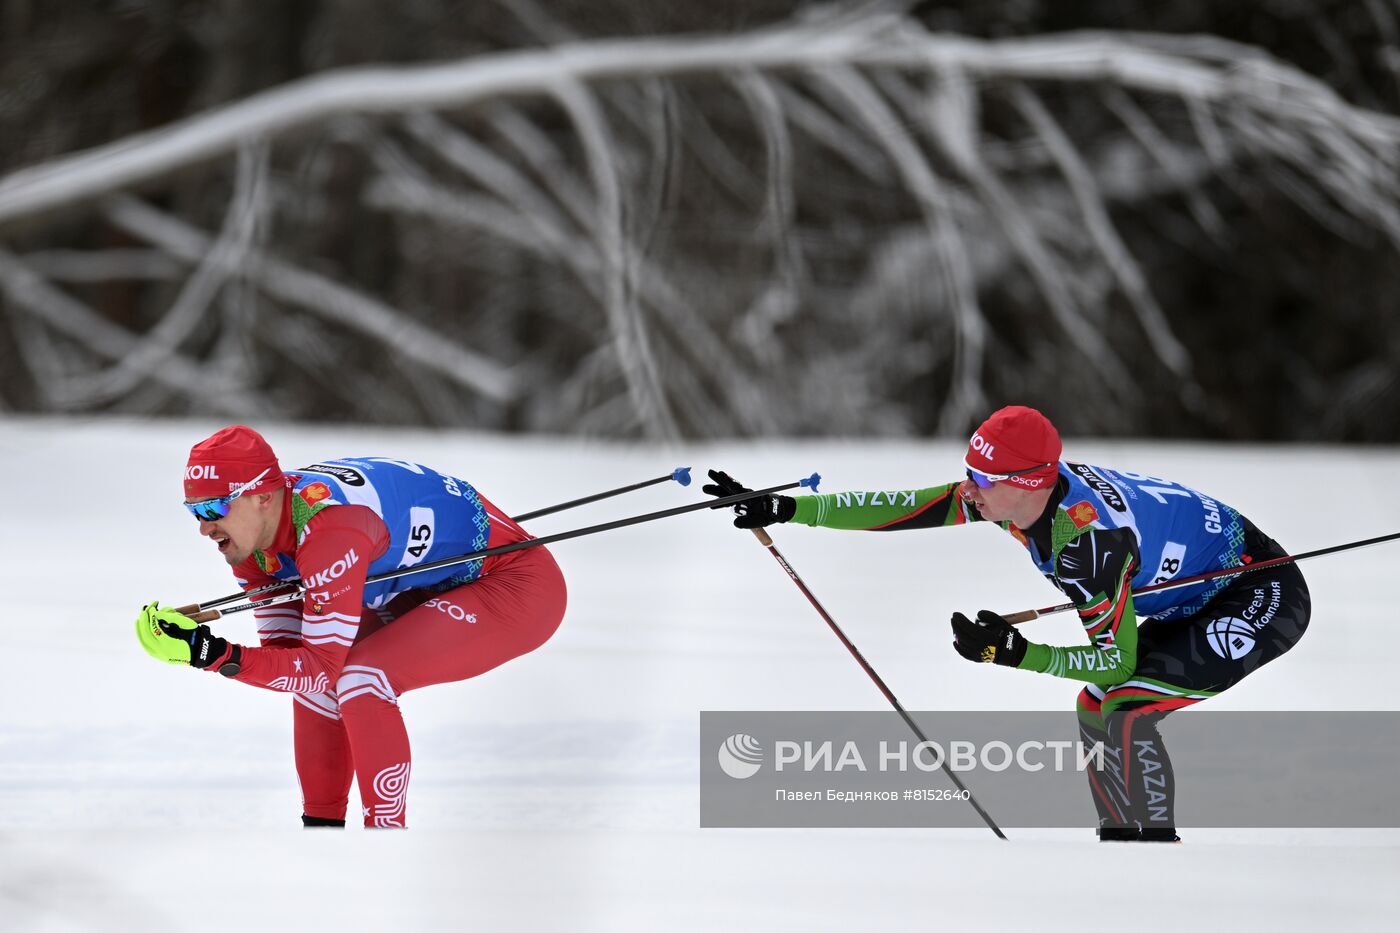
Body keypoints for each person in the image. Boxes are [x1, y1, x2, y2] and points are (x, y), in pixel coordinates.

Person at [703, 405, 1309, 841]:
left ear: (1030, 483)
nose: (970, 490)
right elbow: (903, 508)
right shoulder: (1015, 497)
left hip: (1260, 591)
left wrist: (1017, 653)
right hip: (1186, 590)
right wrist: (786, 508)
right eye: (969, 471)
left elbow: (1116, 660)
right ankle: (1124, 848)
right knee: (1097, 704)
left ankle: (1145, 859)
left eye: (984, 481)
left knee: (1121, 701)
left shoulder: (1088, 546)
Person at [136, 425, 567, 828]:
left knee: (363, 677)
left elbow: (317, 665)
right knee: (320, 683)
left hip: (512, 585)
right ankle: (324, 835)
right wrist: (212, 653)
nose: (204, 527)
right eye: (194, 510)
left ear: (263, 497)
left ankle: (383, 845)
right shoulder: (251, 542)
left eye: (214, 508)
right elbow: (295, 664)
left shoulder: (328, 531)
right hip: (424, 582)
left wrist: (210, 654)